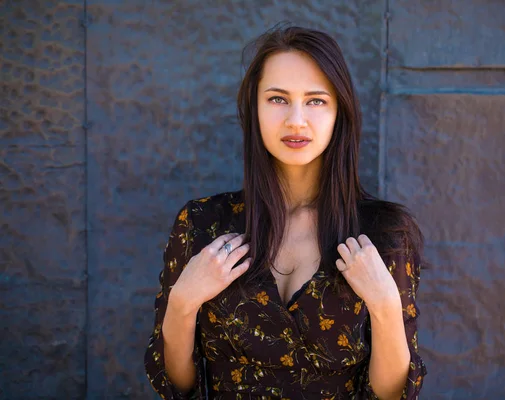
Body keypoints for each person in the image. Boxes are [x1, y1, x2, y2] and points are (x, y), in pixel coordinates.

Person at [144, 24, 427, 400]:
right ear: (254, 107)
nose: (296, 119)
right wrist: (181, 304)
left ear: (339, 111)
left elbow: (392, 395)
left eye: (316, 100)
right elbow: (176, 386)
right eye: (277, 99)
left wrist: (386, 306)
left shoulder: (385, 234)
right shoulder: (201, 225)